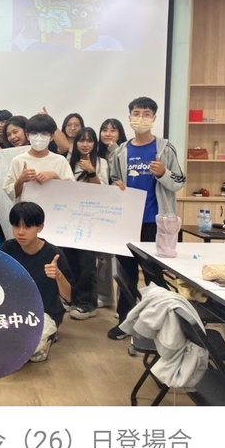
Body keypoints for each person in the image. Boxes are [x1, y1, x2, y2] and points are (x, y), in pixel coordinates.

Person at [107, 96, 186, 339]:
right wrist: (116, 185)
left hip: (155, 222)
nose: (141, 118)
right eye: (136, 113)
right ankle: (125, 321)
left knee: (154, 275)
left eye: (146, 114)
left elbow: (179, 182)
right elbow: (114, 180)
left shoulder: (164, 148)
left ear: (154, 118)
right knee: (126, 274)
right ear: (129, 117)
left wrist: (163, 173)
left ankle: (161, 325)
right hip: (127, 222)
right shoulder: (121, 151)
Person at [0, 202, 74, 362]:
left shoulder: (54, 254)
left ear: (40, 227)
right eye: (16, 226)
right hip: (13, 311)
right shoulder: (7, 249)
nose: (20, 232)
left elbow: (69, 297)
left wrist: (59, 276)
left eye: (27, 226)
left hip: (44, 312)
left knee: (27, 350)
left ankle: (47, 338)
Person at [63, 127, 109, 320]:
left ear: (95, 143)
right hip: (69, 218)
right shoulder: (68, 161)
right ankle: (72, 299)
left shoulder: (101, 163)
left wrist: (91, 172)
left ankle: (88, 304)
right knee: (69, 260)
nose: (85, 144)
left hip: (91, 219)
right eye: (81, 140)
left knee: (87, 263)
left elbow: (103, 191)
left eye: (90, 140)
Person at [3, 113, 75, 202]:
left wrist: (55, 176)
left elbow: (70, 193)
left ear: (52, 137)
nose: (38, 138)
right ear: (27, 135)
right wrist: (21, 180)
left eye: (44, 134)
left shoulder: (60, 161)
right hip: (27, 210)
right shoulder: (18, 160)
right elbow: (11, 195)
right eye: (34, 133)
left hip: (53, 208)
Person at [96, 118, 127, 309]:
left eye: (113, 130)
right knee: (104, 258)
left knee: (122, 259)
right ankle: (105, 297)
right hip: (101, 211)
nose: (108, 133)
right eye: (104, 130)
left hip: (122, 210)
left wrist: (115, 150)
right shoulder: (96, 156)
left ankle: (125, 302)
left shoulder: (124, 153)